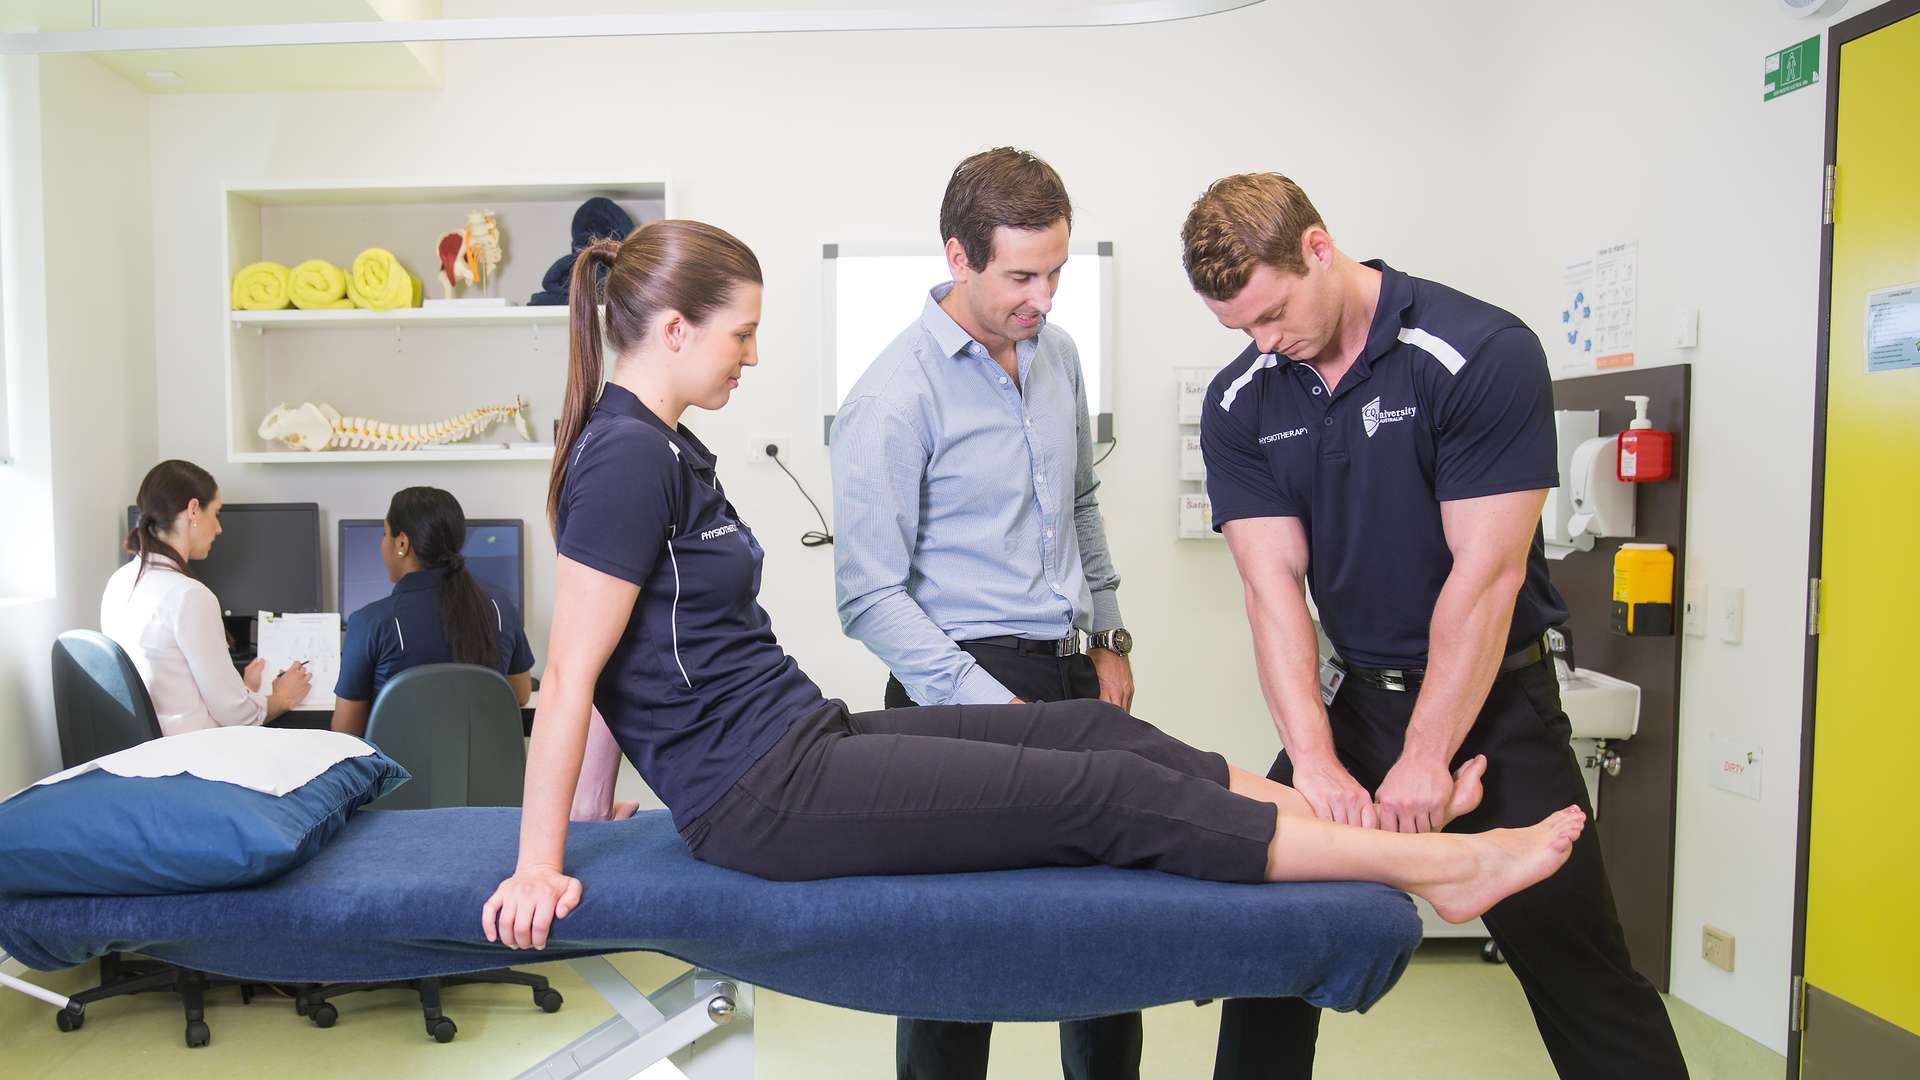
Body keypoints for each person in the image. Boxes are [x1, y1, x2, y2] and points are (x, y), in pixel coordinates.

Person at [479, 218, 1588, 972]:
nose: (752, 358)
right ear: (674, 331)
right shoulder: (626, 457)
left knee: (1098, 737)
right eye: (742, 334)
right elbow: (573, 670)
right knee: (1097, 803)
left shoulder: (669, 451)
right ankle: (1442, 867)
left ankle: (1360, 820)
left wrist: (590, 811)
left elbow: (629, 661)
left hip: (794, 746)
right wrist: (543, 864)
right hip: (757, 798)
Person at [1181, 173, 1687, 1080]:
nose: (1265, 344)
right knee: (1267, 947)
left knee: (1582, 972)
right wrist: (1320, 761)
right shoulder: (1243, 399)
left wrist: (1427, 755)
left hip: (1496, 706)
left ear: (1318, 247)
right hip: (1353, 704)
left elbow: (1484, 580)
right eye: (1240, 331)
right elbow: (1273, 592)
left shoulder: (1476, 350)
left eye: (1272, 315)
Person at [831, 148, 1143, 1080]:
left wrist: (1109, 638)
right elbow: (868, 595)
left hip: (1067, 669)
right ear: (957, 257)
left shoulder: (1061, 355)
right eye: (1020, 275)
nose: (1042, 297)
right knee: (956, 947)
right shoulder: (893, 397)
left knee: (1099, 928)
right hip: (953, 688)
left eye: (1055, 271)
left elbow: (1081, 501)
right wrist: (981, 706)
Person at [101, 459, 312, 736]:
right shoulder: (189, 596)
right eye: (216, 513)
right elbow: (236, 716)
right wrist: (281, 698)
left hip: (146, 757)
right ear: (193, 510)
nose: (219, 528)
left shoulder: (119, 582)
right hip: (195, 757)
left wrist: (243, 690)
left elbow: (174, 682)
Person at [331, 486, 535, 738]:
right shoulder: (500, 607)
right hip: (481, 776)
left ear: (402, 544)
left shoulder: (369, 623)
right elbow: (520, 694)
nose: (382, 543)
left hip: (400, 778)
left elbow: (345, 733)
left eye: (385, 534)